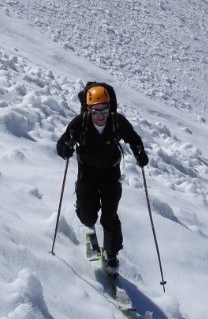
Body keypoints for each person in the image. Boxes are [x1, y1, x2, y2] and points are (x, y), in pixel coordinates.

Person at [56, 81, 149, 274]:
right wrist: (65, 149)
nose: (100, 116)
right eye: (96, 111)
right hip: (87, 172)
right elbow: (62, 143)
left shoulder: (117, 121)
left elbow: (133, 138)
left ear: (109, 109)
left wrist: (140, 153)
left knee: (110, 214)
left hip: (110, 172)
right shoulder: (79, 123)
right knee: (88, 215)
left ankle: (112, 255)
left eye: (104, 111)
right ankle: (84, 215)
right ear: (89, 109)